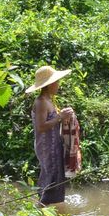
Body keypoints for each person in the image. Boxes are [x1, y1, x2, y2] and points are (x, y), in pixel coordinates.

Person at [26, 65, 75, 205]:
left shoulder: (49, 100)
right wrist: (60, 117)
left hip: (53, 144)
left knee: (54, 174)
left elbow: (53, 121)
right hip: (46, 146)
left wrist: (64, 117)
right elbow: (41, 127)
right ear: (50, 84)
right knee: (50, 175)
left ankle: (50, 208)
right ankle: (42, 206)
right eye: (57, 82)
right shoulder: (41, 102)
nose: (58, 85)